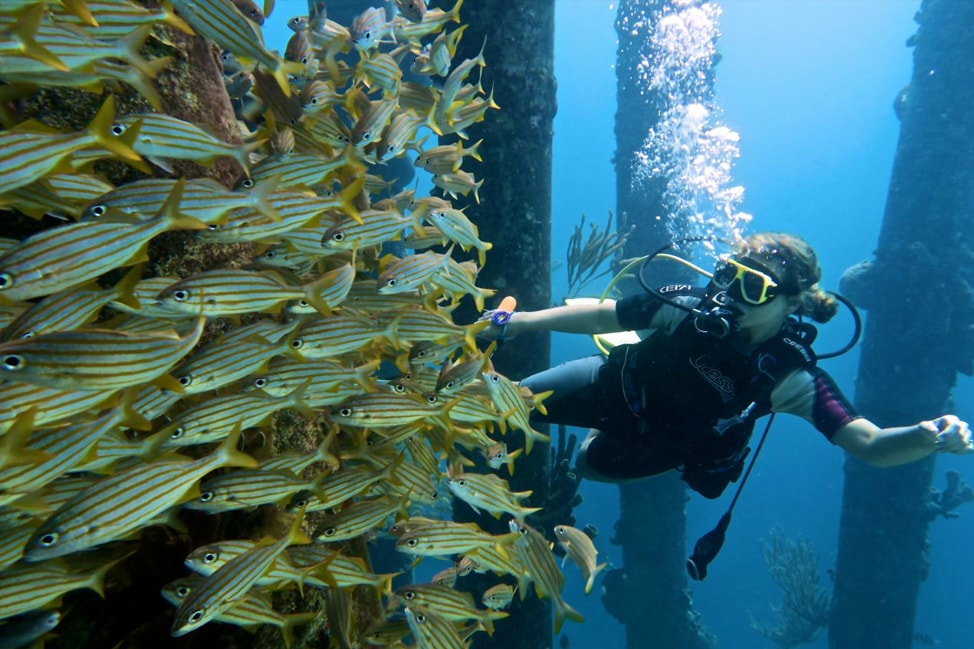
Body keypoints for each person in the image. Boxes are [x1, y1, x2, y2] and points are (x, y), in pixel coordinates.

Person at [480, 232, 972, 498]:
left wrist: (926, 436)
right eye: (728, 275)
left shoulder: (788, 374)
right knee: (502, 400)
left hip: (670, 441)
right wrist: (517, 321)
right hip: (616, 384)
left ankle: (603, 448)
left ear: (791, 303)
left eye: (753, 288)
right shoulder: (689, 303)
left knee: (588, 465)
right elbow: (605, 313)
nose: (729, 296)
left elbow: (870, 444)